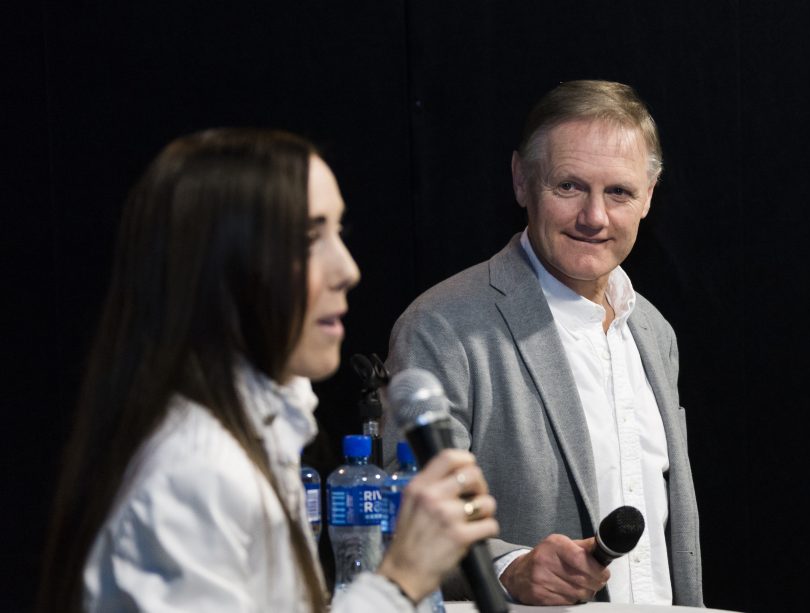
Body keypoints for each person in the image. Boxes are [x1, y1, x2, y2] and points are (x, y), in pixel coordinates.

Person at [36, 128, 498, 612]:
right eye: (308, 240)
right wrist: (401, 580)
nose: (347, 270)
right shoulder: (197, 472)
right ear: (220, 268)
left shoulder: (258, 438)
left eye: (338, 233)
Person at [384, 80, 702, 606]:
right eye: (569, 186)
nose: (594, 217)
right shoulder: (442, 326)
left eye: (619, 192)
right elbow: (404, 522)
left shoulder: (653, 330)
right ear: (521, 181)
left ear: (648, 197)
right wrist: (509, 569)